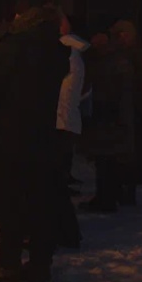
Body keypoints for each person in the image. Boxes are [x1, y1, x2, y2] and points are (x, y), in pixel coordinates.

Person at [0, 5, 69, 282]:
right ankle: (40, 262)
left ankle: (9, 261)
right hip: (44, 133)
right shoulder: (56, 49)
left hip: (13, 133)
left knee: (9, 200)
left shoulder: (15, 46)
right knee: (40, 200)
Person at [82, 31, 137, 212]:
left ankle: (107, 197)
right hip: (110, 116)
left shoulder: (109, 64)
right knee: (108, 159)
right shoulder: (117, 61)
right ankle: (109, 196)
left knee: (107, 159)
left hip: (108, 116)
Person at [54, 13, 90, 247]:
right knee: (58, 180)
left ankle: (65, 233)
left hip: (60, 121)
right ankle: (65, 232)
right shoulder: (77, 52)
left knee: (55, 181)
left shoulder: (64, 51)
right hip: (69, 119)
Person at [110, 21, 142, 193]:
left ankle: (128, 185)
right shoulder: (119, 54)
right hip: (122, 108)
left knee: (130, 149)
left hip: (133, 108)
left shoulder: (135, 56)